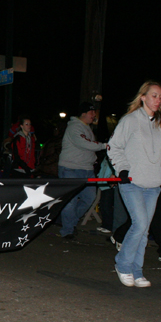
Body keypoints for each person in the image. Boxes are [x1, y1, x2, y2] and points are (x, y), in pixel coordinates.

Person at [107, 81, 161, 287]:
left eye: (160, 96)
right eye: (154, 95)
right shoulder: (130, 120)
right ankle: (123, 264)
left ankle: (137, 270)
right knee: (138, 224)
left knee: (144, 229)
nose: (158, 100)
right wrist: (122, 169)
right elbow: (114, 146)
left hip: (153, 185)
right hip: (132, 182)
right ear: (143, 97)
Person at [58, 102, 106, 239]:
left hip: (87, 169)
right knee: (70, 200)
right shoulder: (74, 127)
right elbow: (84, 143)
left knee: (89, 197)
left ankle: (69, 223)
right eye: (91, 112)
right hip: (70, 169)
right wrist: (104, 146)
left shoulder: (87, 128)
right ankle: (67, 230)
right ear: (83, 113)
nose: (94, 115)